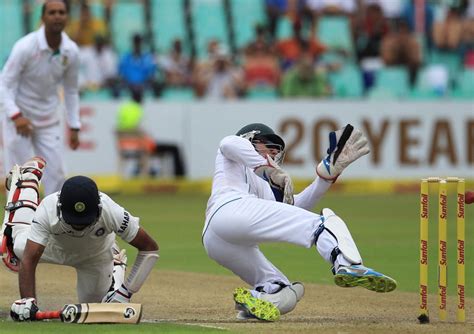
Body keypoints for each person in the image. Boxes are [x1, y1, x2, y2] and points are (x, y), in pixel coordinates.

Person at [202, 123, 397, 321]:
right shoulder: (233, 152)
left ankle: (254, 299)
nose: (272, 152)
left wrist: (324, 179)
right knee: (326, 222)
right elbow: (228, 143)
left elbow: (293, 210)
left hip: (217, 241)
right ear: (249, 139)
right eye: (267, 146)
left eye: (276, 150)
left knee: (287, 293)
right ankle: (348, 264)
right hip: (230, 209)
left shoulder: (262, 186)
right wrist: (270, 170)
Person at [1, 157, 159, 321]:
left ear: (99, 209)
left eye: (84, 222)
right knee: (14, 247)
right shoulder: (48, 208)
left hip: (94, 255)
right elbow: (29, 259)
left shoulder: (112, 211)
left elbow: (150, 248)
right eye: (74, 221)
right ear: (60, 208)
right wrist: (28, 301)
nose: (79, 227)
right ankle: (29, 179)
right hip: (53, 246)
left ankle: (115, 264)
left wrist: (125, 293)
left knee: (95, 306)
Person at [0, 0, 81, 195]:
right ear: (43, 17)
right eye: (52, 12)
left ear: (67, 17)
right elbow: (4, 84)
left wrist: (74, 125)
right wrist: (16, 115)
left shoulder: (71, 51)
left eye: (61, 12)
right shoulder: (26, 46)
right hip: (20, 119)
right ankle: (18, 222)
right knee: (19, 176)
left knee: (57, 174)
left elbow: (70, 90)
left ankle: (52, 222)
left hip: (48, 119)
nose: (57, 16)